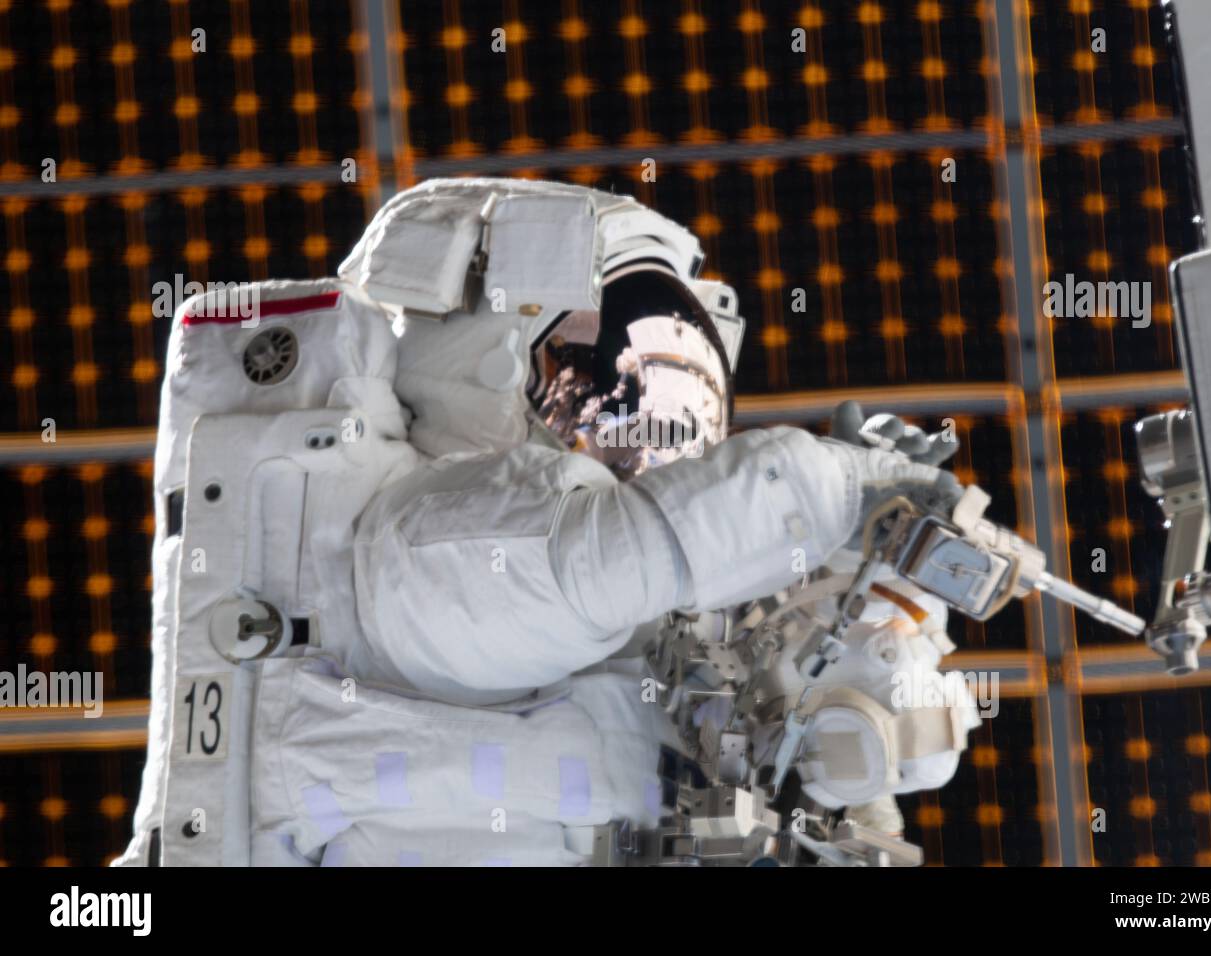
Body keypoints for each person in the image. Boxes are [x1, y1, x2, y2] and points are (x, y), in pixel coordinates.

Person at [118, 178, 978, 867]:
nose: (653, 448)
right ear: (486, 373)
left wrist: (878, 628)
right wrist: (833, 492)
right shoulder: (407, 557)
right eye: (609, 394)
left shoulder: (645, 665)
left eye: (681, 413)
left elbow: (842, 763)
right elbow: (595, 557)